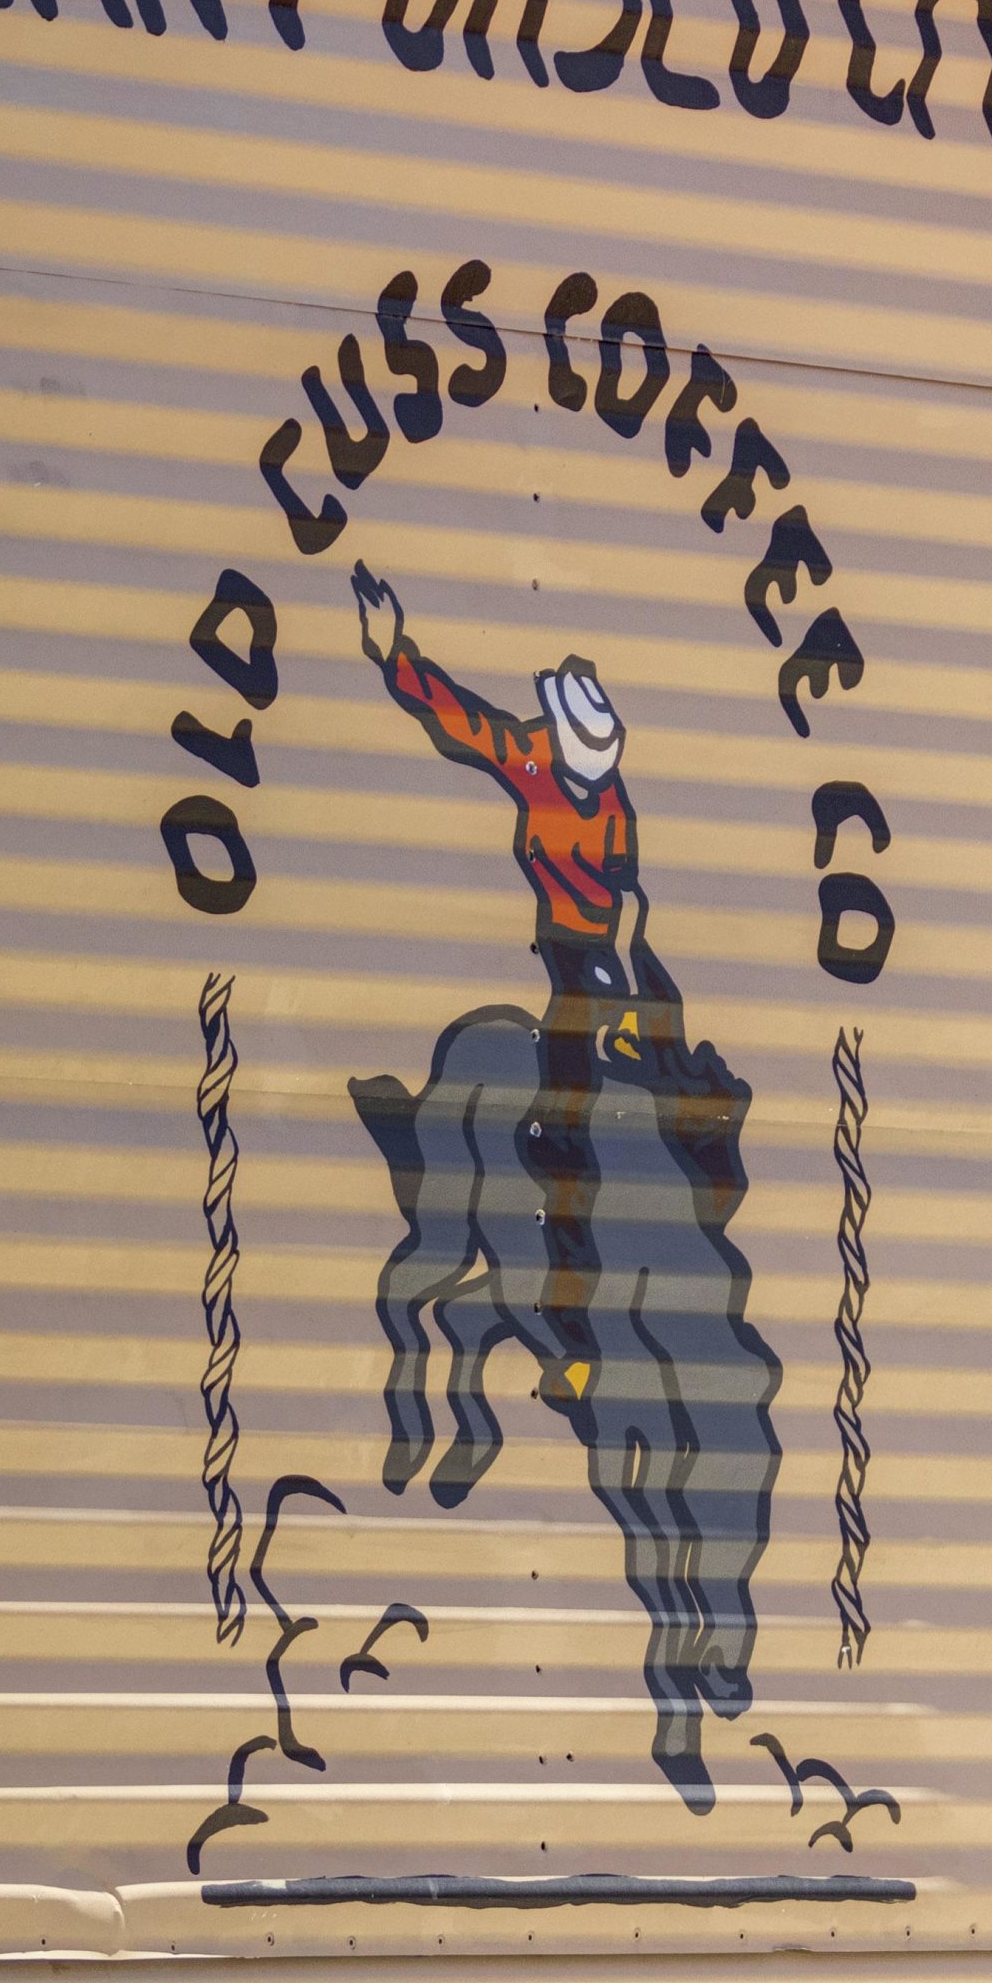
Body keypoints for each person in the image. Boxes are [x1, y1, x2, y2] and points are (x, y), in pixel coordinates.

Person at [353, 563, 664, 1392]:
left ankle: (576, 1343)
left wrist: (626, 1008)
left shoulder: (613, 809)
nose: (589, 784)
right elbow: (466, 724)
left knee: (573, 1152)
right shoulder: (536, 761)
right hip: (563, 958)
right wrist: (394, 656)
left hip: (594, 968)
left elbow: (628, 905)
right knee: (555, 1133)